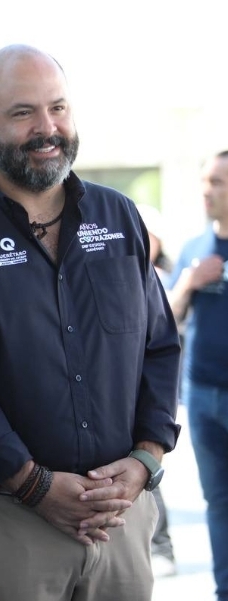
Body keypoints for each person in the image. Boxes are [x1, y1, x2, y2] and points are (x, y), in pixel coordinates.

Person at [0, 45, 181, 601]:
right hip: (7, 521)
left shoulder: (117, 216)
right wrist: (32, 482)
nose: (47, 128)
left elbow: (159, 346)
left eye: (58, 108)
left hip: (121, 519)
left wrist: (146, 460)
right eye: (23, 113)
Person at [168, 151, 228, 601]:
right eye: (206, 181)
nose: (207, 191)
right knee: (218, 502)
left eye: (218, 182)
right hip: (202, 396)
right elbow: (164, 319)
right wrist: (190, 282)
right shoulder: (194, 249)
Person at [137, 204, 178, 577]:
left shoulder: (158, 275)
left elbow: (165, 338)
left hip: (147, 405)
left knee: (147, 472)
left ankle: (162, 547)